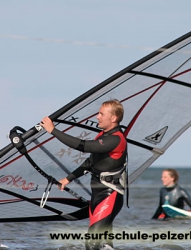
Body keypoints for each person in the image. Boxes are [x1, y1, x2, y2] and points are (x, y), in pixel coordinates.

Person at [41, 99, 127, 250]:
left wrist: (52, 130)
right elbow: (90, 162)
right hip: (97, 196)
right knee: (104, 245)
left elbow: (82, 146)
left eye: (101, 114)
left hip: (110, 195)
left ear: (113, 118)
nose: (97, 116)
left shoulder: (116, 139)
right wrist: (67, 179)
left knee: (92, 243)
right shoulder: (102, 136)